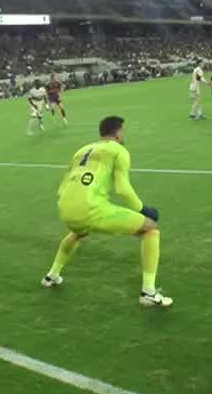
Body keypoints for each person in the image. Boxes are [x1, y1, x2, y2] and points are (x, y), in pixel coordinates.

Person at [43, 116, 171, 307]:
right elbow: (123, 189)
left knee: (78, 232)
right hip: (91, 208)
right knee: (151, 229)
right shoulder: (118, 150)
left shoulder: (81, 150)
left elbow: (63, 184)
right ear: (118, 132)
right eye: (123, 131)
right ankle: (149, 293)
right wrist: (144, 209)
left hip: (64, 208)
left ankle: (51, 276)